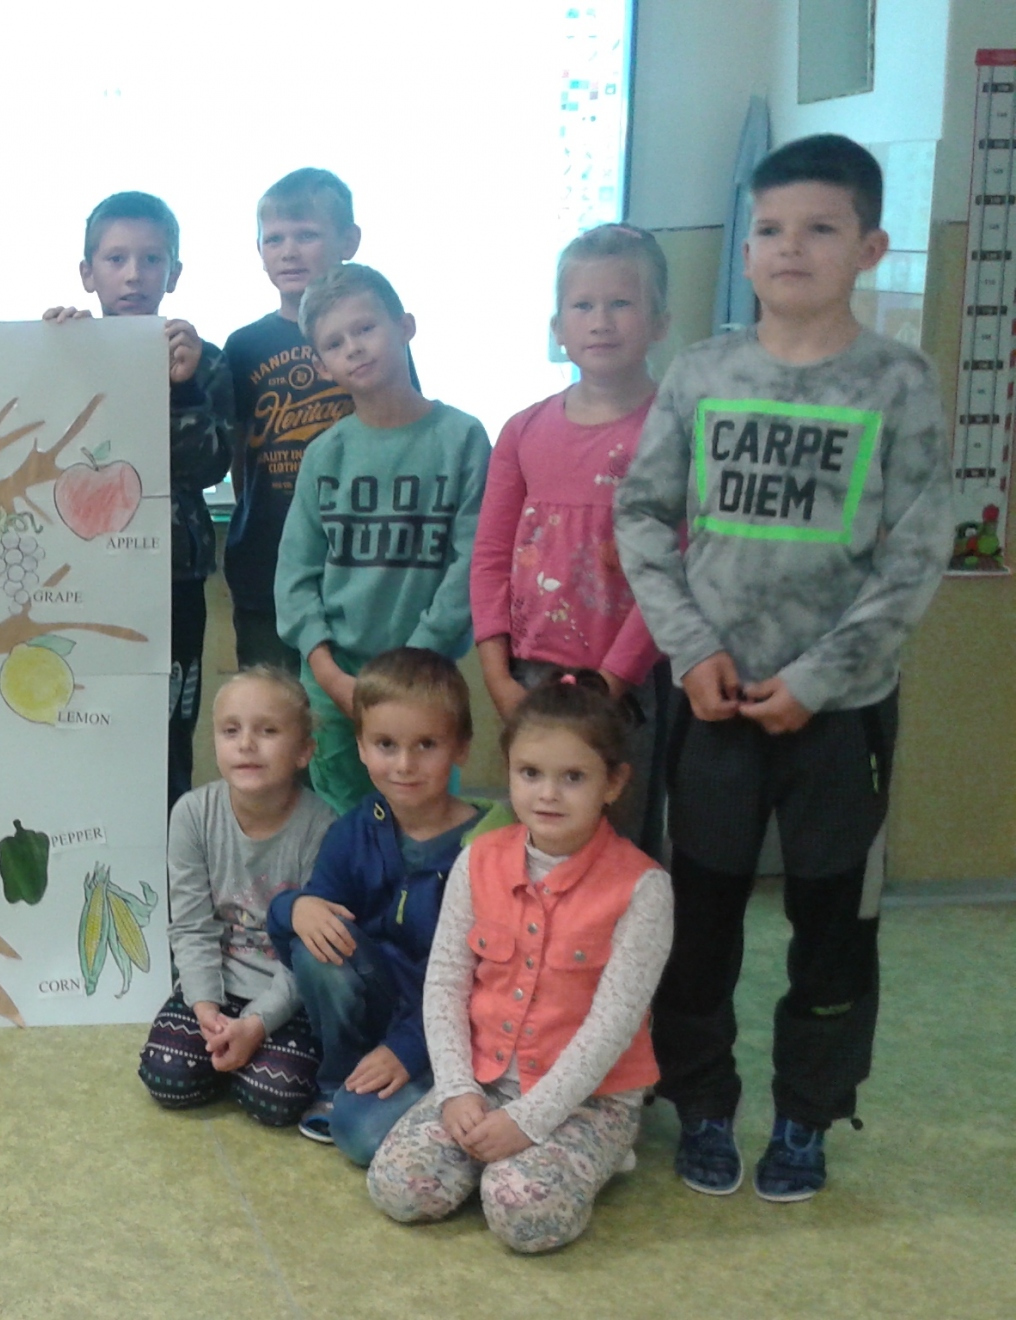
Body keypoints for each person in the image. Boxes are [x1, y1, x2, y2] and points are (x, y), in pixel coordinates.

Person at [615, 133, 950, 1202]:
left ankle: (807, 1114)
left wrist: (817, 679)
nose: (790, 247)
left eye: (819, 228)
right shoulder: (703, 373)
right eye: (769, 229)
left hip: (839, 713)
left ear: (870, 247)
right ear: (745, 249)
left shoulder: (899, 383)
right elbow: (642, 517)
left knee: (831, 928)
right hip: (712, 703)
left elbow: (915, 553)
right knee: (701, 921)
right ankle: (703, 1102)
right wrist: (693, 649)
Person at [368, 673, 671, 1253]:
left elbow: (612, 1027)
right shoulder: (477, 859)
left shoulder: (643, 888)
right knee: (398, 1189)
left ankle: (599, 1154)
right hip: (483, 1081)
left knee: (520, 1212)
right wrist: (457, 1090)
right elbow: (446, 983)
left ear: (613, 782)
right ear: (508, 771)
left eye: (573, 777)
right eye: (530, 773)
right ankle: (498, 1156)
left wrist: (529, 1122)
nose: (548, 794)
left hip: (586, 1100)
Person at [472, 225, 671, 850]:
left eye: (621, 303)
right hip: (530, 673)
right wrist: (498, 677)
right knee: (538, 836)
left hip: (630, 684)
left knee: (621, 843)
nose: (601, 322)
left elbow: (674, 569)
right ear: (558, 328)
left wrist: (612, 683)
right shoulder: (522, 430)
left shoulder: (675, 431)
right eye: (583, 306)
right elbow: (490, 558)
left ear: (659, 322)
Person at [271, 648, 504, 1165]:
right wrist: (296, 908)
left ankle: (447, 1099)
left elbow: (488, 985)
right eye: (385, 745)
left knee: (361, 1136)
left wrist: (410, 1048)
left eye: (426, 745)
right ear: (360, 746)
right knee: (317, 942)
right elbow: (302, 932)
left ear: (462, 747)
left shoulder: (488, 852)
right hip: (378, 1009)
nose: (404, 764)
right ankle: (340, 1082)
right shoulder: (356, 829)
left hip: (453, 1034)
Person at [42, 193, 235, 805]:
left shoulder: (205, 361)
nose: (133, 274)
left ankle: (169, 844)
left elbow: (209, 464)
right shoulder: (62, 347)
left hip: (172, 579)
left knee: (168, 726)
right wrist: (50, 350)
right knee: (78, 717)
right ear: (87, 272)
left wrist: (181, 387)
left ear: (173, 272)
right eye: (116, 258)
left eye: (152, 259)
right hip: (80, 576)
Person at [276, 264, 488, 814]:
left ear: (405, 326)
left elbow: (471, 563)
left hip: (422, 674)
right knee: (342, 820)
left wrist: (413, 661)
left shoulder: (462, 438)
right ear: (321, 365)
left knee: (425, 813)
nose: (354, 348)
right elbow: (295, 576)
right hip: (336, 683)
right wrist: (327, 672)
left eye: (366, 328)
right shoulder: (325, 454)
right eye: (335, 343)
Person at [138, 667, 330, 1126]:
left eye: (268, 731)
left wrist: (257, 1024)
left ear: (304, 751)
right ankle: (228, 1053)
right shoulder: (192, 814)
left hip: (286, 994)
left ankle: (244, 1057)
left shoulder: (323, 827)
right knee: (166, 1077)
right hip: (217, 985)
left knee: (276, 1097)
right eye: (231, 730)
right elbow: (190, 925)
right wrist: (206, 1009)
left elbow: (309, 955)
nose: (246, 744)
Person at [221, 169, 363, 673]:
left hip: (356, 569)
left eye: (306, 235)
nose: (289, 252)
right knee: (270, 707)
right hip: (266, 568)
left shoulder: (371, 339)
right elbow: (240, 458)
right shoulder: (243, 347)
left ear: (349, 241)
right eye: (274, 239)